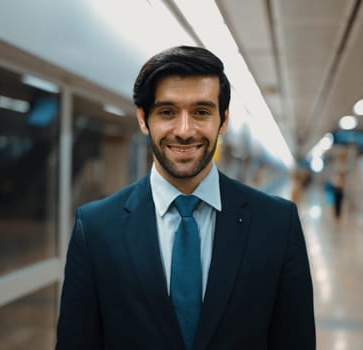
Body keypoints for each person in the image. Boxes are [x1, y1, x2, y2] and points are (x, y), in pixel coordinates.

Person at [56, 46, 315, 350]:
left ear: (224, 120)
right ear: (143, 119)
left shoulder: (277, 224)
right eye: (167, 112)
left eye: (201, 112)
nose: (184, 130)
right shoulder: (97, 227)